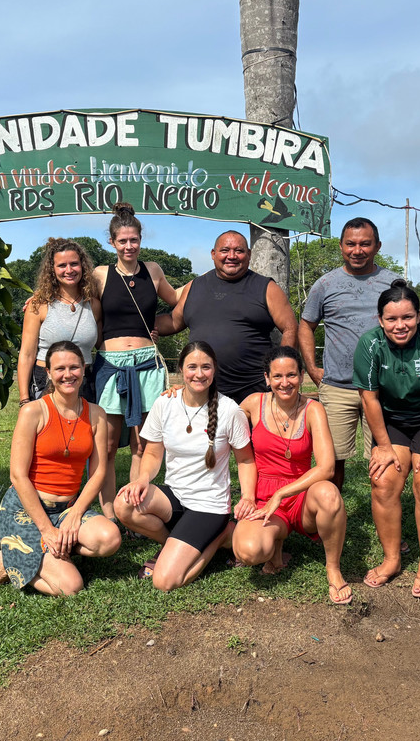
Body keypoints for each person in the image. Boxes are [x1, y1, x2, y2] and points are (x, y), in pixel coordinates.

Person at [115, 341, 255, 592]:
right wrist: (142, 478)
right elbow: (153, 451)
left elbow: (245, 460)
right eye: (192, 367)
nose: (199, 374)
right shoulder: (165, 403)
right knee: (124, 503)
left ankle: (219, 535)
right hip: (175, 497)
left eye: (206, 367)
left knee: (164, 581)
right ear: (180, 369)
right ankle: (175, 543)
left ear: (214, 370)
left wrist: (247, 497)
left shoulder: (229, 410)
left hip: (209, 506)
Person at [0, 341, 121, 595]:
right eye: (59, 369)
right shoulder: (33, 412)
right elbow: (18, 475)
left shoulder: (97, 415)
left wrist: (75, 514)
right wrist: (47, 531)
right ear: (48, 372)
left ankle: (46, 550)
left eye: (74, 367)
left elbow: (99, 472)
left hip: (66, 508)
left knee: (110, 538)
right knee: (71, 587)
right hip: (27, 508)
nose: (67, 374)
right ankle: (11, 557)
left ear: (84, 369)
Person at [353, 279, 420, 597]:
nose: (400, 325)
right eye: (392, 319)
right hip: (393, 423)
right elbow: (369, 399)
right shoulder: (370, 344)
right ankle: (391, 559)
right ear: (380, 320)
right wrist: (383, 446)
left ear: (419, 316)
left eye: (407, 317)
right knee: (384, 481)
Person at [232, 346, 352, 605]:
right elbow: (218, 416)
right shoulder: (254, 403)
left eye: (292, 375)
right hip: (262, 497)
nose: (285, 383)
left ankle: (333, 568)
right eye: (277, 376)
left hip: (300, 494)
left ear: (301, 376)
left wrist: (281, 494)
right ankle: (275, 546)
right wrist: (179, 393)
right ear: (267, 378)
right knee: (248, 552)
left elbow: (327, 468)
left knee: (329, 493)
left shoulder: (313, 409)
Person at [91, 202, 179, 519]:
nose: (129, 246)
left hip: (147, 365)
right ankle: (110, 513)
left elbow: (179, 299)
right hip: (111, 366)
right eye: (123, 241)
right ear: (112, 242)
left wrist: (208, 283)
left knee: (144, 442)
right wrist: (40, 297)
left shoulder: (153, 271)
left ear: (141, 239)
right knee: (109, 444)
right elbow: (70, 295)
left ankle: (133, 509)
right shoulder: (100, 275)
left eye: (134, 240)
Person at [299, 218, 400, 490]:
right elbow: (306, 326)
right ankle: (331, 526)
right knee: (330, 464)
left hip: (383, 388)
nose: (358, 250)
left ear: (377, 246)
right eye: (350, 244)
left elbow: (410, 326)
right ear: (341, 246)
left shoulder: (393, 283)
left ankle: (385, 528)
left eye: (365, 244)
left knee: (384, 461)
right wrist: (312, 367)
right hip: (337, 387)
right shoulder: (325, 284)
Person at [162, 231, 298, 403]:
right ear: (213, 254)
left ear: (249, 254)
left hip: (254, 393)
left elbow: (290, 327)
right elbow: (173, 322)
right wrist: (134, 322)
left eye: (239, 251)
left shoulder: (267, 288)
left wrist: (280, 371)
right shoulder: (195, 286)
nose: (232, 256)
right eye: (225, 250)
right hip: (204, 390)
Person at [17, 238, 101, 406]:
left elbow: (104, 344)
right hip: (47, 382)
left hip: (83, 383)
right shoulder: (39, 305)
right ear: (52, 270)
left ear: (82, 266)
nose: (69, 270)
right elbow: (26, 354)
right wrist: (24, 398)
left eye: (74, 264)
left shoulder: (94, 305)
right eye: (62, 265)